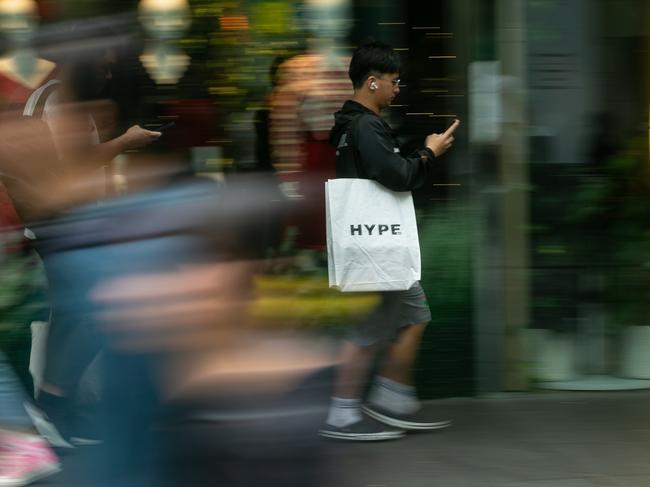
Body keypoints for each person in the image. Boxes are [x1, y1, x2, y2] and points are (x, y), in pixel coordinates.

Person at [322, 40, 460, 441]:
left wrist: (422, 155)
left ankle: (390, 399)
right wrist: (429, 153)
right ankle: (344, 414)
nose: (397, 90)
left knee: (413, 316)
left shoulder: (354, 127)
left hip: (375, 241)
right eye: (393, 82)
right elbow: (396, 175)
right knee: (368, 329)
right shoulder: (365, 125)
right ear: (371, 83)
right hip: (376, 244)